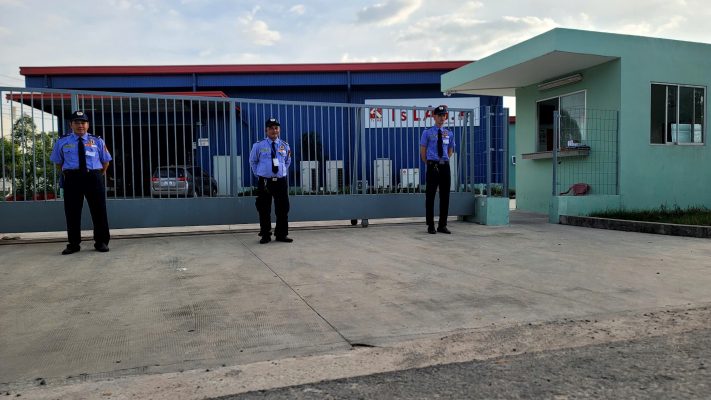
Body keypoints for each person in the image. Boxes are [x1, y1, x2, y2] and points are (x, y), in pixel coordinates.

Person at [50, 111, 112, 254]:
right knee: (72, 212)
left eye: (83, 122)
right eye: (77, 122)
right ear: (71, 124)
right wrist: (69, 173)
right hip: (72, 179)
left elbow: (106, 161)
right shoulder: (62, 141)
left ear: (88, 125)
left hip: (93, 177)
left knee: (99, 211)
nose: (80, 125)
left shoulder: (97, 141)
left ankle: (101, 242)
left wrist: (98, 174)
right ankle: (73, 244)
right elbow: (58, 162)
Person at [249, 117, 293, 244]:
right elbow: (253, 161)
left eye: (276, 128)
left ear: (279, 130)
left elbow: (287, 161)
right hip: (265, 181)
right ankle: (265, 235)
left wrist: (280, 173)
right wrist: (260, 174)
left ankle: (281, 234)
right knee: (264, 209)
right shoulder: (259, 145)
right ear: (266, 130)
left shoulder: (285, 145)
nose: (274, 130)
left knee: (283, 208)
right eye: (271, 128)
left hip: (280, 181)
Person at [420, 105, 455, 234]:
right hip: (432, 165)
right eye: (439, 115)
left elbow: (450, 150)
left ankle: (442, 225)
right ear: (434, 116)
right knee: (430, 196)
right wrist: (430, 162)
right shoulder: (427, 132)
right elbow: (423, 152)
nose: (441, 118)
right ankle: (430, 225)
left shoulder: (449, 133)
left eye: (443, 115)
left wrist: (443, 161)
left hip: (444, 165)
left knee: (445, 196)